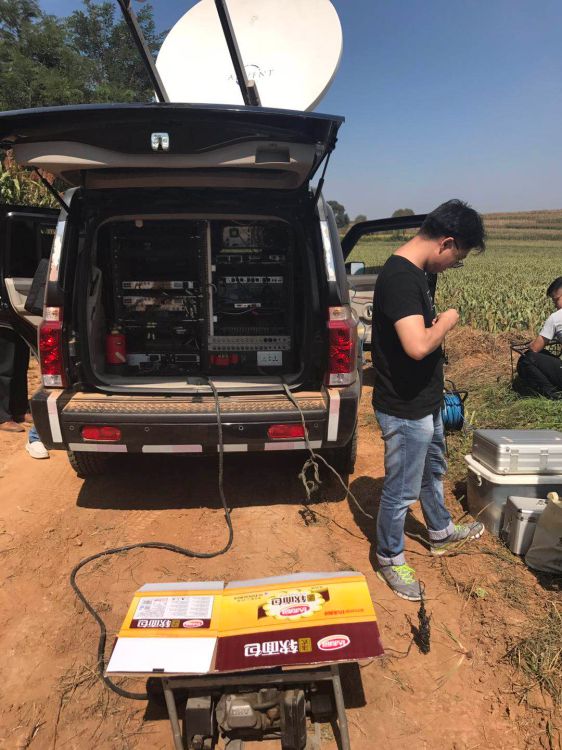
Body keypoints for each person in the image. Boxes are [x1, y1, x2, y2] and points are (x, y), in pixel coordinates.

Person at [372, 199, 486, 601]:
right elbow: (418, 345)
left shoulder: (420, 273)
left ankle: (440, 531)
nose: (453, 265)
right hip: (404, 407)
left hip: (426, 399)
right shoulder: (401, 278)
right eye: (458, 258)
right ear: (446, 242)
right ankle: (389, 557)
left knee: (431, 471)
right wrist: (448, 321)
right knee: (401, 490)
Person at [516, 278, 562, 400]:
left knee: (527, 358)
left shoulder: (556, 317)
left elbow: (535, 348)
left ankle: (554, 395)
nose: (555, 305)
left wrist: (532, 344)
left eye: (556, 300)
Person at [0, 328, 31, 432]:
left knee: (20, 365)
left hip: (17, 322)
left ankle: (19, 410)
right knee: (4, 366)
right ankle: (2, 416)